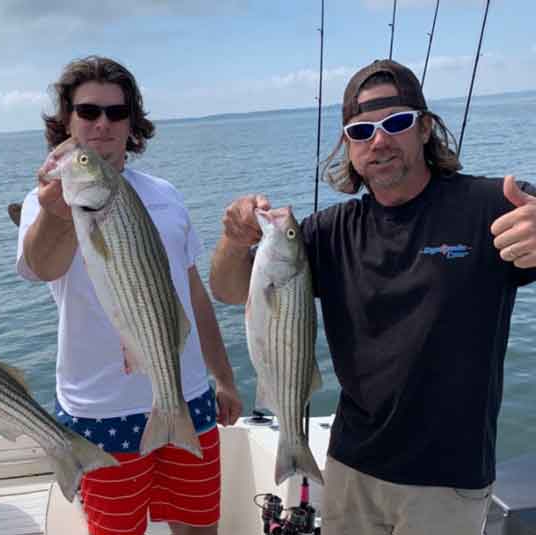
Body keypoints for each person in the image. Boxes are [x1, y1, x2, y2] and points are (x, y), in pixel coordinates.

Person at [209, 59, 536, 535]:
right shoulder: (326, 233)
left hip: (448, 481)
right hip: (350, 467)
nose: (379, 141)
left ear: (424, 128)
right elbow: (228, 290)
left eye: (396, 122)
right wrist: (235, 242)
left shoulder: (489, 206)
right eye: (361, 130)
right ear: (348, 145)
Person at [16, 56, 242, 535]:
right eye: (88, 111)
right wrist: (58, 213)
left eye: (116, 113)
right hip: (100, 408)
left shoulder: (165, 194)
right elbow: (41, 268)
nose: (102, 124)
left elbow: (193, 295)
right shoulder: (46, 203)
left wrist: (223, 376)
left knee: (199, 525)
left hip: (187, 396)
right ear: (66, 120)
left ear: (131, 123)